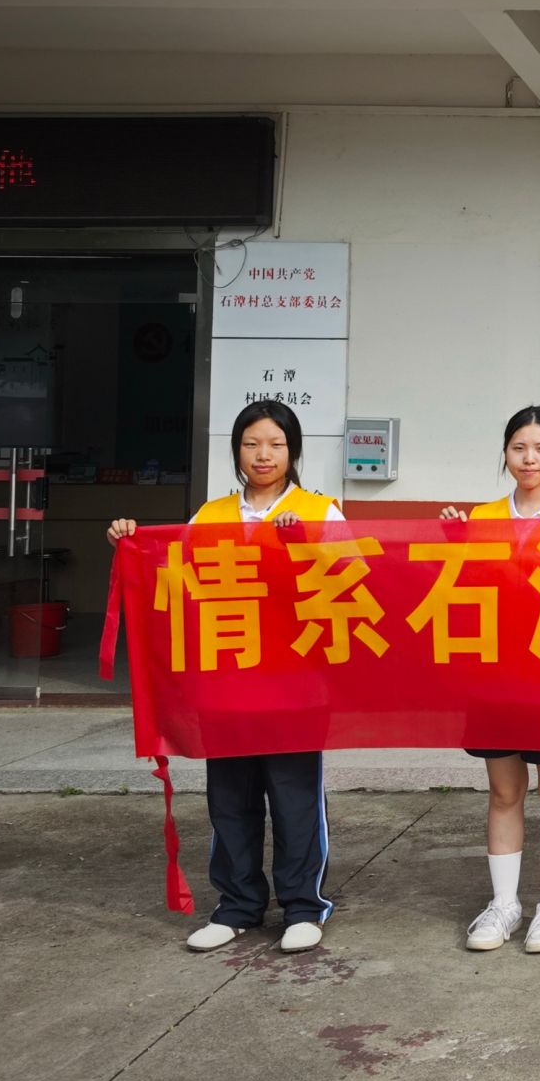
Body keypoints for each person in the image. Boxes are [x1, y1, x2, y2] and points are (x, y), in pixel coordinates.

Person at [106, 400, 343, 955]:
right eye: (251, 443)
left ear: (293, 451)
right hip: (227, 682)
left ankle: (303, 907)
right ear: (236, 450)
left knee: (294, 798)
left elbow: (353, 586)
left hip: (294, 684)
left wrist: (306, 545)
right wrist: (131, 543)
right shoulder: (208, 517)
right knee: (230, 798)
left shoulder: (320, 512)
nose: (263, 454)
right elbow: (175, 586)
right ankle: (237, 906)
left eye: (276, 444)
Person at [439, 406, 540, 957]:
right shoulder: (479, 519)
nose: (529, 459)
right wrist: (452, 540)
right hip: (494, 675)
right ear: (505, 452)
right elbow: (459, 592)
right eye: (518, 448)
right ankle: (504, 903)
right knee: (504, 790)